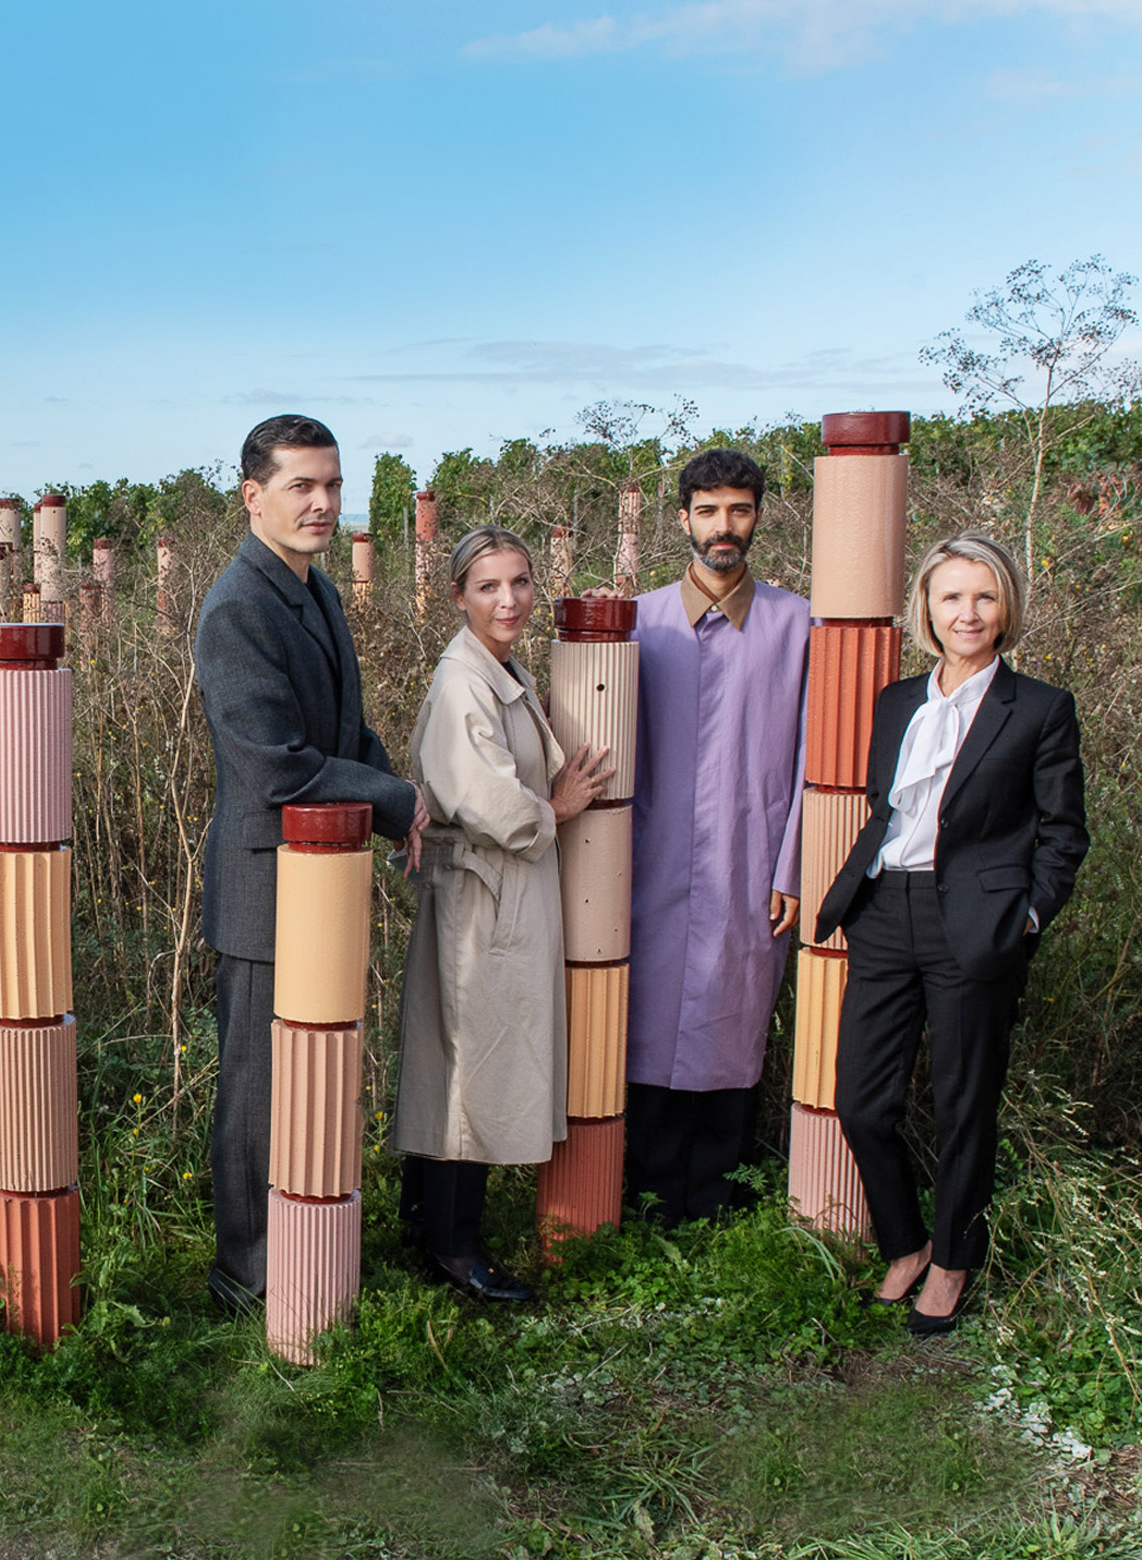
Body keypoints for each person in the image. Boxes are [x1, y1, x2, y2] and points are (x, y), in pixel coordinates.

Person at [816, 534, 1086, 1335]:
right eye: (951, 598)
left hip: (976, 922)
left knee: (968, 1104)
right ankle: (903, 1241)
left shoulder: (1039, 708)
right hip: (883, 910)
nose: (967, 614)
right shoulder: (898, 702)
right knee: (861, 1102)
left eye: (984, 597)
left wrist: (1025, 916)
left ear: (1006, 608)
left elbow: (1063, 836)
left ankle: (953, 1259)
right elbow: (885, 810)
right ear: (926, 609)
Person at [194, 414, 424, 1313]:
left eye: (332, 484)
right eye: (302, 486)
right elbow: (279, 763)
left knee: (309, 1069)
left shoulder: (312, 589)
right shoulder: (238, 606)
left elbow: (342, 731)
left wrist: (389, 783)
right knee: (256, 1084)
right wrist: (399, 802)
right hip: (266, 881)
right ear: (253, 496)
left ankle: (306, 1246)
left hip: (319, 876)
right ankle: (244, 1277)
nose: (323, 502)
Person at [394, 526, 611, 1301]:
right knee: (468, 1070)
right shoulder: (463, 680)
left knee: (460, 1058)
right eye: (489, 586)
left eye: (520, 582)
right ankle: (455, 1249)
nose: (509, 599)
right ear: (458, 596)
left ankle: (423, 1224)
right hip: (482, 896)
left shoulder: (497, 669)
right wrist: (557, 805)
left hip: (495, 891)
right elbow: (487, 799)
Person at [621, 450, 810, 1225]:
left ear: (759, 514)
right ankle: (647, 1201)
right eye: (707, 510)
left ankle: (720, 1204)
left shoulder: (800, 625)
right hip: (649, 862)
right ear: (683, 519)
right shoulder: (634, 620)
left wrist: (793, 865)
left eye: (738, 509)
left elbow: (814, 762)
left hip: (749, 860)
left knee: (732, 1024)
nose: (722, 526)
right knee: (648, 1022)